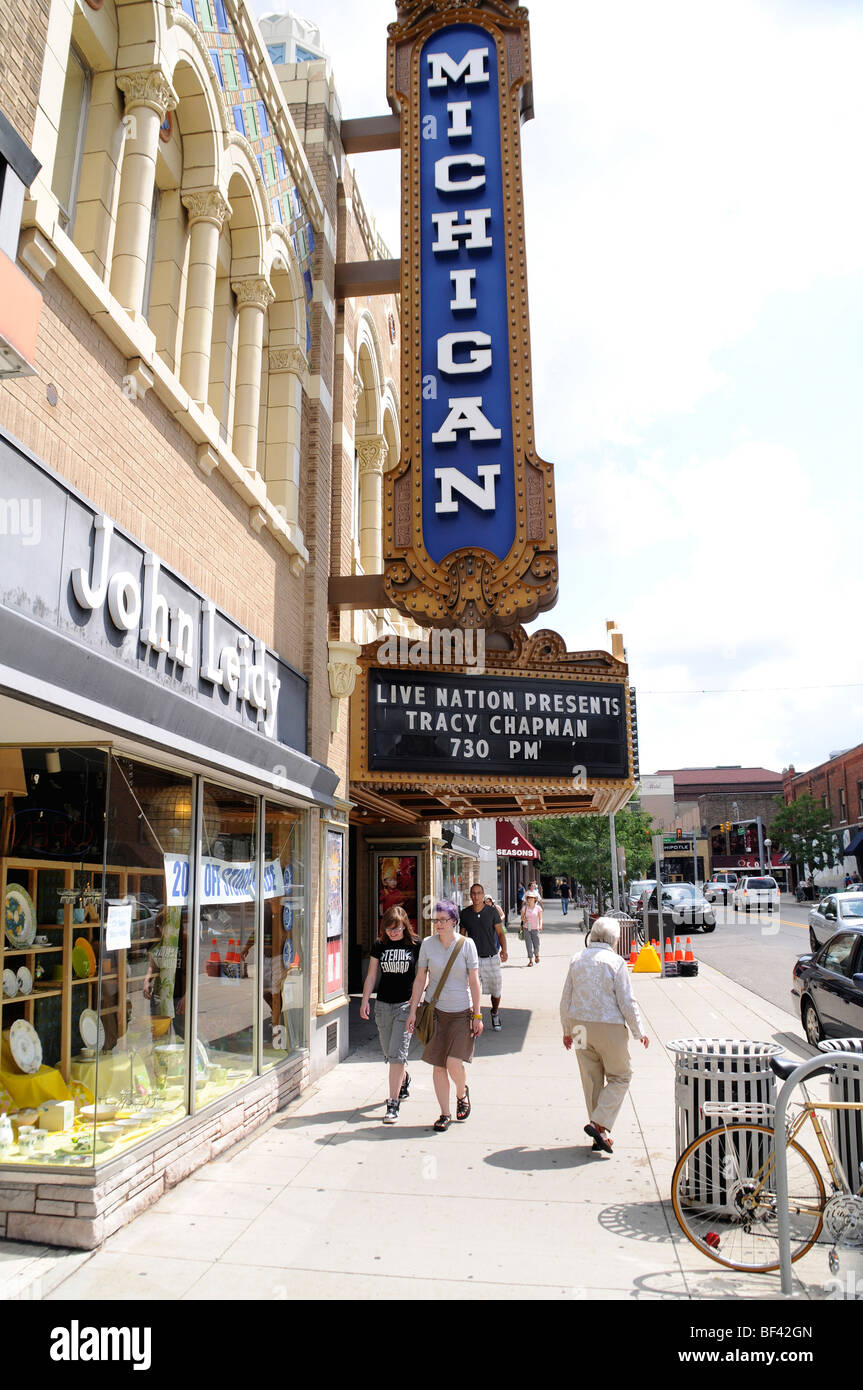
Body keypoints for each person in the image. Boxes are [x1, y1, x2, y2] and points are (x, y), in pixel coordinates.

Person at [559, 916, 649, 1155]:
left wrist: (566, 1029)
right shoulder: (616, 962)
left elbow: (566, 997)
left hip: (579, 1025)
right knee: (621, 1076)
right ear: (614, 939)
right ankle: (598, 1123)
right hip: (608, 1025)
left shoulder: (576, 959)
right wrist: (639, 1031)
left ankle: (599, 1132)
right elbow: (627, 1000)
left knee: (590, 1079)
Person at [406, 900, 482, 1132]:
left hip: (461, 1012)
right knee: (438, 1065)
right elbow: (420, 979)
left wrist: (477, 1015)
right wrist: (412, 1011)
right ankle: (445, 1113)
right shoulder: (428, 945)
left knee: (453, 1063)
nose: (438, 924)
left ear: (454, 922)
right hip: (435, 1012)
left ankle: (462, 1092)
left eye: (442, 920)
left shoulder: (467, 945)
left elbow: (474, 981)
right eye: (435, 920)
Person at [360, 906, 420, 1124]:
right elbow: (372, 974)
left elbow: (423, 976)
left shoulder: (415, 945)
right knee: (388, 1052)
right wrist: (365, 999)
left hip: (405, 1006)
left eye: (397, 928)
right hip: (383, 1005)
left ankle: (392, 1104)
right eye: (389, 928)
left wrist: (416, 1003)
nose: (393, 932)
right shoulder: (380, 945)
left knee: (397, 1054)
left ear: (404, 925)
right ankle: (403, 1078)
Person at [459, 883, 508, 1030]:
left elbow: (500, 933)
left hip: (491, 957)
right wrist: (459, 955)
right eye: (473, 893)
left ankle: (495, 1012)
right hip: (472, 959)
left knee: (496, 991)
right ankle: (475, 1017)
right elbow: (462, 936)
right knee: (471, 991)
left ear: (483, 894)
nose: (476, 896)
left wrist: (504, 950)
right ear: (470, 895)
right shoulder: (465, 913)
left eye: (479, 893)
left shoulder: (492, 912)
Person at [521, 887, 543, 965]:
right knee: (528, 944)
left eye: (532, 898)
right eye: (529, 898)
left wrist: (540, 926)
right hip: (527, 928)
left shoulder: (538, 908)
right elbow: (522, 918)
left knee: (536, 944)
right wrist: (524, 920)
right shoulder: (524, 908)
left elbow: (540, 918)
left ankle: (536, 954)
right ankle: (530, 960)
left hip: (535, 928)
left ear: (535, 899)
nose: (530, 899)